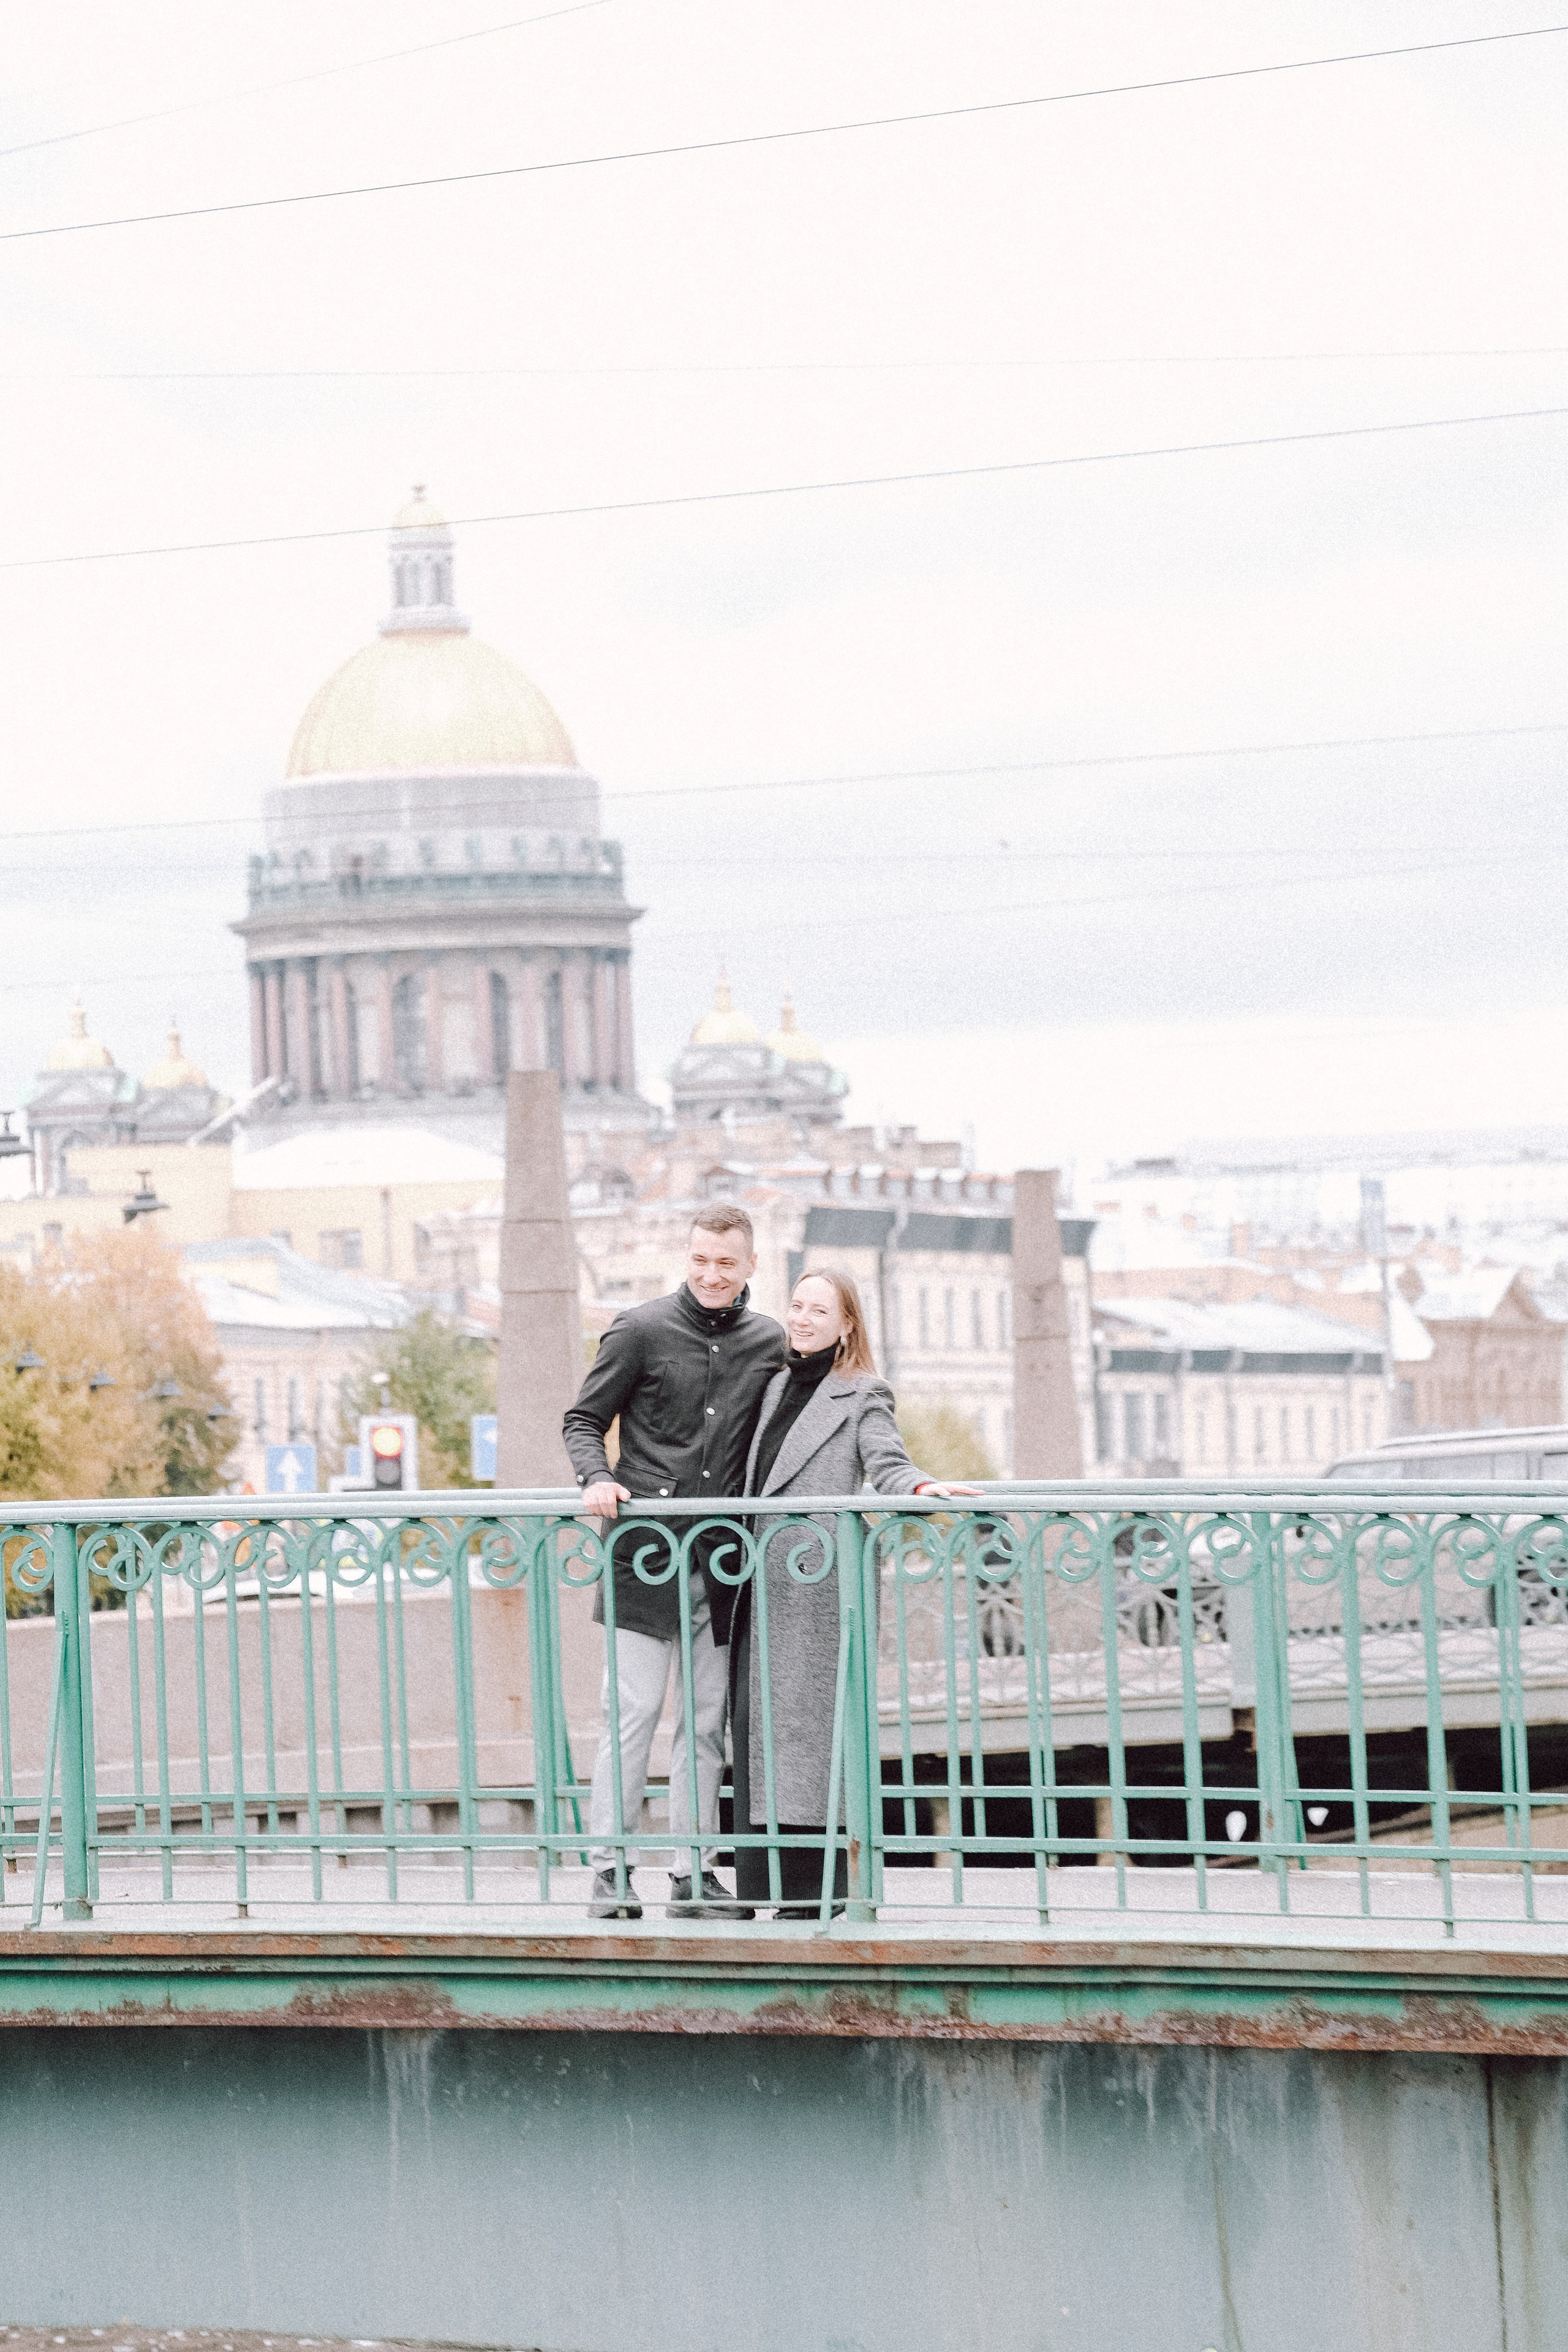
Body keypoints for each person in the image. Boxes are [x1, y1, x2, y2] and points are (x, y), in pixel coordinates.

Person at [732, 1267, 979, 1917]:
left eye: (821, 1310)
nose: (805, 1318)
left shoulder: (863, 1392)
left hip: (819, 1583)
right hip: (762, 1579)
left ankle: (817, 1893)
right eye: (798, 1305)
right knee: (763, 1733)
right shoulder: (773, 1385)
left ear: (847, 1325)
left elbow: (886, 1462)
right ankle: (770, 1888)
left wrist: (923, 1489)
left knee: (810, 1735)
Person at [563, 1202, 785, 1921]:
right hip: (644, 1555)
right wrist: (596, 1478)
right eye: (700, 1261)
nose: (711, 1275)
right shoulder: (640, 1329)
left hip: (722, 1561)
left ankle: (693, 1874)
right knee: (630, 1713)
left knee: (706, 1722)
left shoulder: (768, 1343)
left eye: (726, 1263)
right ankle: (608, 1872)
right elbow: (583, 1419)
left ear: (750, 1266)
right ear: (684, 1259)